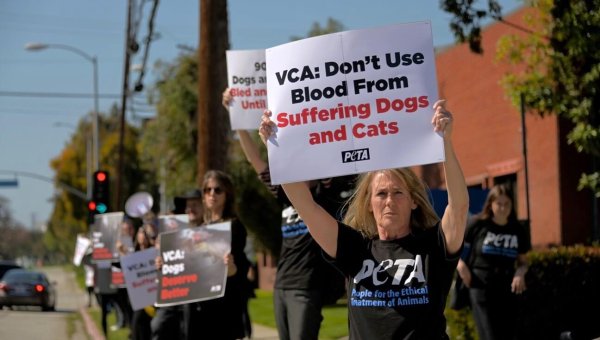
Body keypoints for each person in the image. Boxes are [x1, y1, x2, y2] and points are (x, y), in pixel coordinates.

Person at [258, 99, 469, 339]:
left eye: (398, 192)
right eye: (381, 193)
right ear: (369, 204)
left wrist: (446, 143)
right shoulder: (354, 248)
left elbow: (459, 207)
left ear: (413, 201)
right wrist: (275, 151)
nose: (389, 200)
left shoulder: (434, 247)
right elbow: (307, 207)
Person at [223, 88, 353, 340]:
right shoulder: (287, 194)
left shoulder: (325, 198)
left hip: (307, 288)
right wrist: (236, 116)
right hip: (281, 286)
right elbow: (256, 161)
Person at [456, 183, 530, 340]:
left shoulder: (517, 229)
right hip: (480, 286)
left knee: (508, 335)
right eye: (499, 204)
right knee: (489, 336)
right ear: (490, 204)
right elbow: (452, 246)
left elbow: (523, 261)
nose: (503, 208)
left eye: (506, 204)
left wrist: (520, 272)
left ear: (512, 204)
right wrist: (461, 266)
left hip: (507, 289)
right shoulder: (478, 223)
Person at [185, 170, 250, 340]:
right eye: (208, 190)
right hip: (200, 305)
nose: (212, 194)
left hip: (224, 306)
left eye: (218, 190)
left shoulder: (234, 226)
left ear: (227, 194)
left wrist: (230, 266)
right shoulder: (199, 228)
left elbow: (238, 269)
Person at [151, 189, 203, 340]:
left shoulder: (211, 230)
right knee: (158, 326)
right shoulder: (173, 233)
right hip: (175, 292)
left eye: (195, 204)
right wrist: (160, 261)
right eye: (187, 206)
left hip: (197, 297)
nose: (190, 209)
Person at [130, 224, 156, 340]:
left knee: (149, 325)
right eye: (140, 233)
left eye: (145, 233)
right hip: (139, 297)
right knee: (137, 323)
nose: (142, 236)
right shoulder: (133, 253)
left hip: (152, 295)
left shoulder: (154, 251)